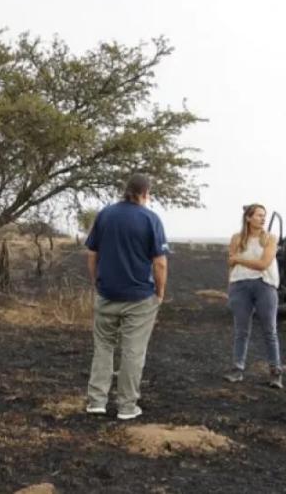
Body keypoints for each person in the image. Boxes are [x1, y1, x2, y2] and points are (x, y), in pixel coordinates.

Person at [84, 174, 169, 421]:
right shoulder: (150, 219)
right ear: (145, 193)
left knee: (103, 348)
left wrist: (96, 282)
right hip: (140, 297)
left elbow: (92, 253)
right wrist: (160, 292)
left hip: (107, 293)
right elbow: (160, 263)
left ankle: (96, 401)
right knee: (133, 351)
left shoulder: (106, 214)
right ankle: (127, 406)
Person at [223, 204, 283, 389]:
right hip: (240, 285)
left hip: (264, 285)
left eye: (264, 216)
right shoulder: (237, 238)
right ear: (248, 218)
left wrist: (239, 259)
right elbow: (230, 265)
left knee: (269, 331)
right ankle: (237, 368)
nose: (262, 218)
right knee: (241, 330)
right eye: (258, 215)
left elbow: (263, 264)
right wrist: (230, 287)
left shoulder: (270, 238)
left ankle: (275, 372)